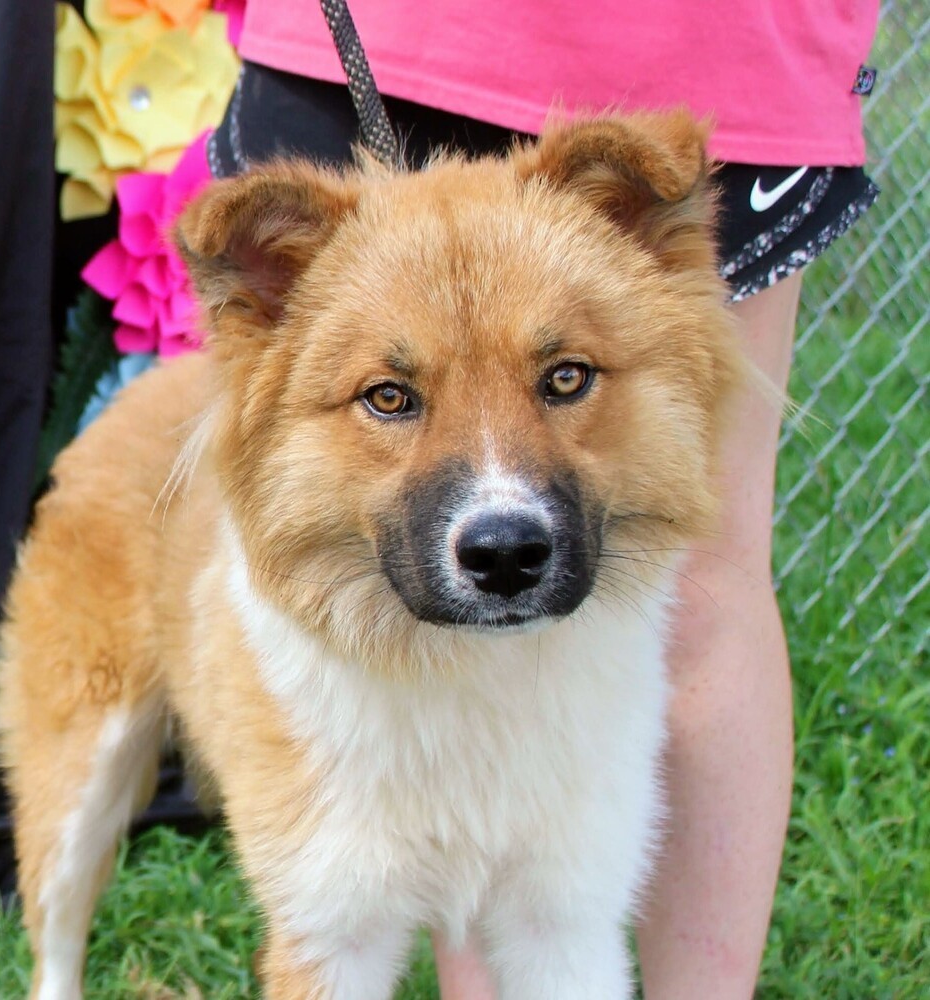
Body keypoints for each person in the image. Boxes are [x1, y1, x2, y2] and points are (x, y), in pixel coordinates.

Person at [210, 2, 880, 996]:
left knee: (704, 583)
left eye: (563, 379)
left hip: (704, 44)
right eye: (394, 398)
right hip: (373, 31)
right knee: (398, 635)